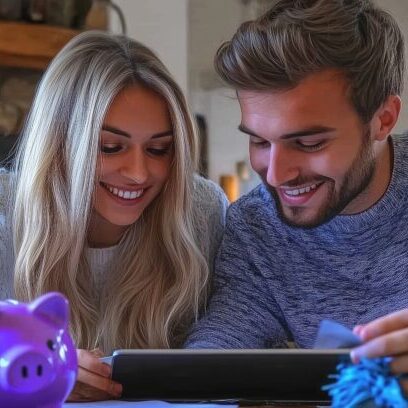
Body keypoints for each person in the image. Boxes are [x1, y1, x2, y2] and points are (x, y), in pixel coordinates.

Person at [186, 0, 408, 391]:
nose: (275, 175)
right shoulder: (256, 227)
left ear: (383, 119)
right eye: (258, 141)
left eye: (307, 142)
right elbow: (223, 341)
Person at [0, 31, 228, 401]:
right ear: (58, 143)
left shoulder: (200, 211)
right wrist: (30, 376)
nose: (139, 173)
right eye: (110, 147)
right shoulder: (4, 212)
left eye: (159, 149)